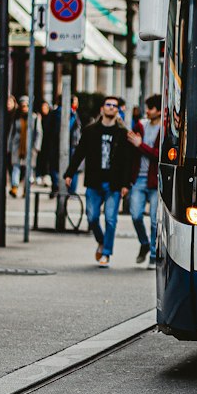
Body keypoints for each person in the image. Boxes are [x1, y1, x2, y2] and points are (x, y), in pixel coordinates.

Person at [64, 94, 137, 267]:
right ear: (102, 109)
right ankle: (102, 241)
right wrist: (69, 173)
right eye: (108, 104)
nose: (111, 107)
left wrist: (126, 184)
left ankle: (106, 253)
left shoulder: (123, 133)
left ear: (118, 110)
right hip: (94, 181)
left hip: (114, 183)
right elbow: (79, 153)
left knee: (111, 219)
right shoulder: (90, 131)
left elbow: (127, 161)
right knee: (92, 217)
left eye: (114, 105)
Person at [128, 93, 162, 265]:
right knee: (135, 215)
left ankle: (154, 256)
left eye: (151, 108)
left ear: (159, 110)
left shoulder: (165, 129)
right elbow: (129, 150)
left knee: (156, 221)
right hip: (138, 179)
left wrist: (140, 145)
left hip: (155, 180)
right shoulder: (140, 125)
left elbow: (160, 155)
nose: (147, 111)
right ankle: (144, 243)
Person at [7, 95, 41, 198]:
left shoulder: (34, 118)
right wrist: (9, 147)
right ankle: (14, 187)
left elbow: (38, 132)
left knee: (28, 169)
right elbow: (11, 133)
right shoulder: (16, 117)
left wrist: (36, 146)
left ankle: (26, 189)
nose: (25, 108)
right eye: (23, 106)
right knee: (16, 167)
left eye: (27, 105)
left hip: (29, 147)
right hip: (17, 146)